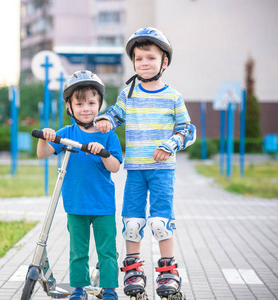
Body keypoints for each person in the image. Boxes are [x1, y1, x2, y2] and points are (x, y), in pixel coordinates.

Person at [94, 27, 196, 299]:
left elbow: (187, 129)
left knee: (161, 221)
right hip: (135, 169)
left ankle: (167, 271)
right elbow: (115, 115)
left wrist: (171, 144)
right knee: (131, 222)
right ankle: (133, 269)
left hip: (163, 170)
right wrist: (105, 120)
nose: (144, 63)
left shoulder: (173, 97)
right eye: (139, 59)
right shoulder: (128, 94)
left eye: (150, 58)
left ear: (164, 62)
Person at [37, 70, 123, 300]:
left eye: (92, 103)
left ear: (100, 104)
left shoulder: (108, 135)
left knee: (106, 251)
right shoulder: (67, 133)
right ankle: (78, 288)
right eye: (80, 103)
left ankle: (109, 288)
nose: (86, 108)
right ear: (70, 107)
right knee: (78, 251)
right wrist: (46, 137)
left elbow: (115, 166)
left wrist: (103, 153)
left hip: (103, 205)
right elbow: (43, 154)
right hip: (75, 204)